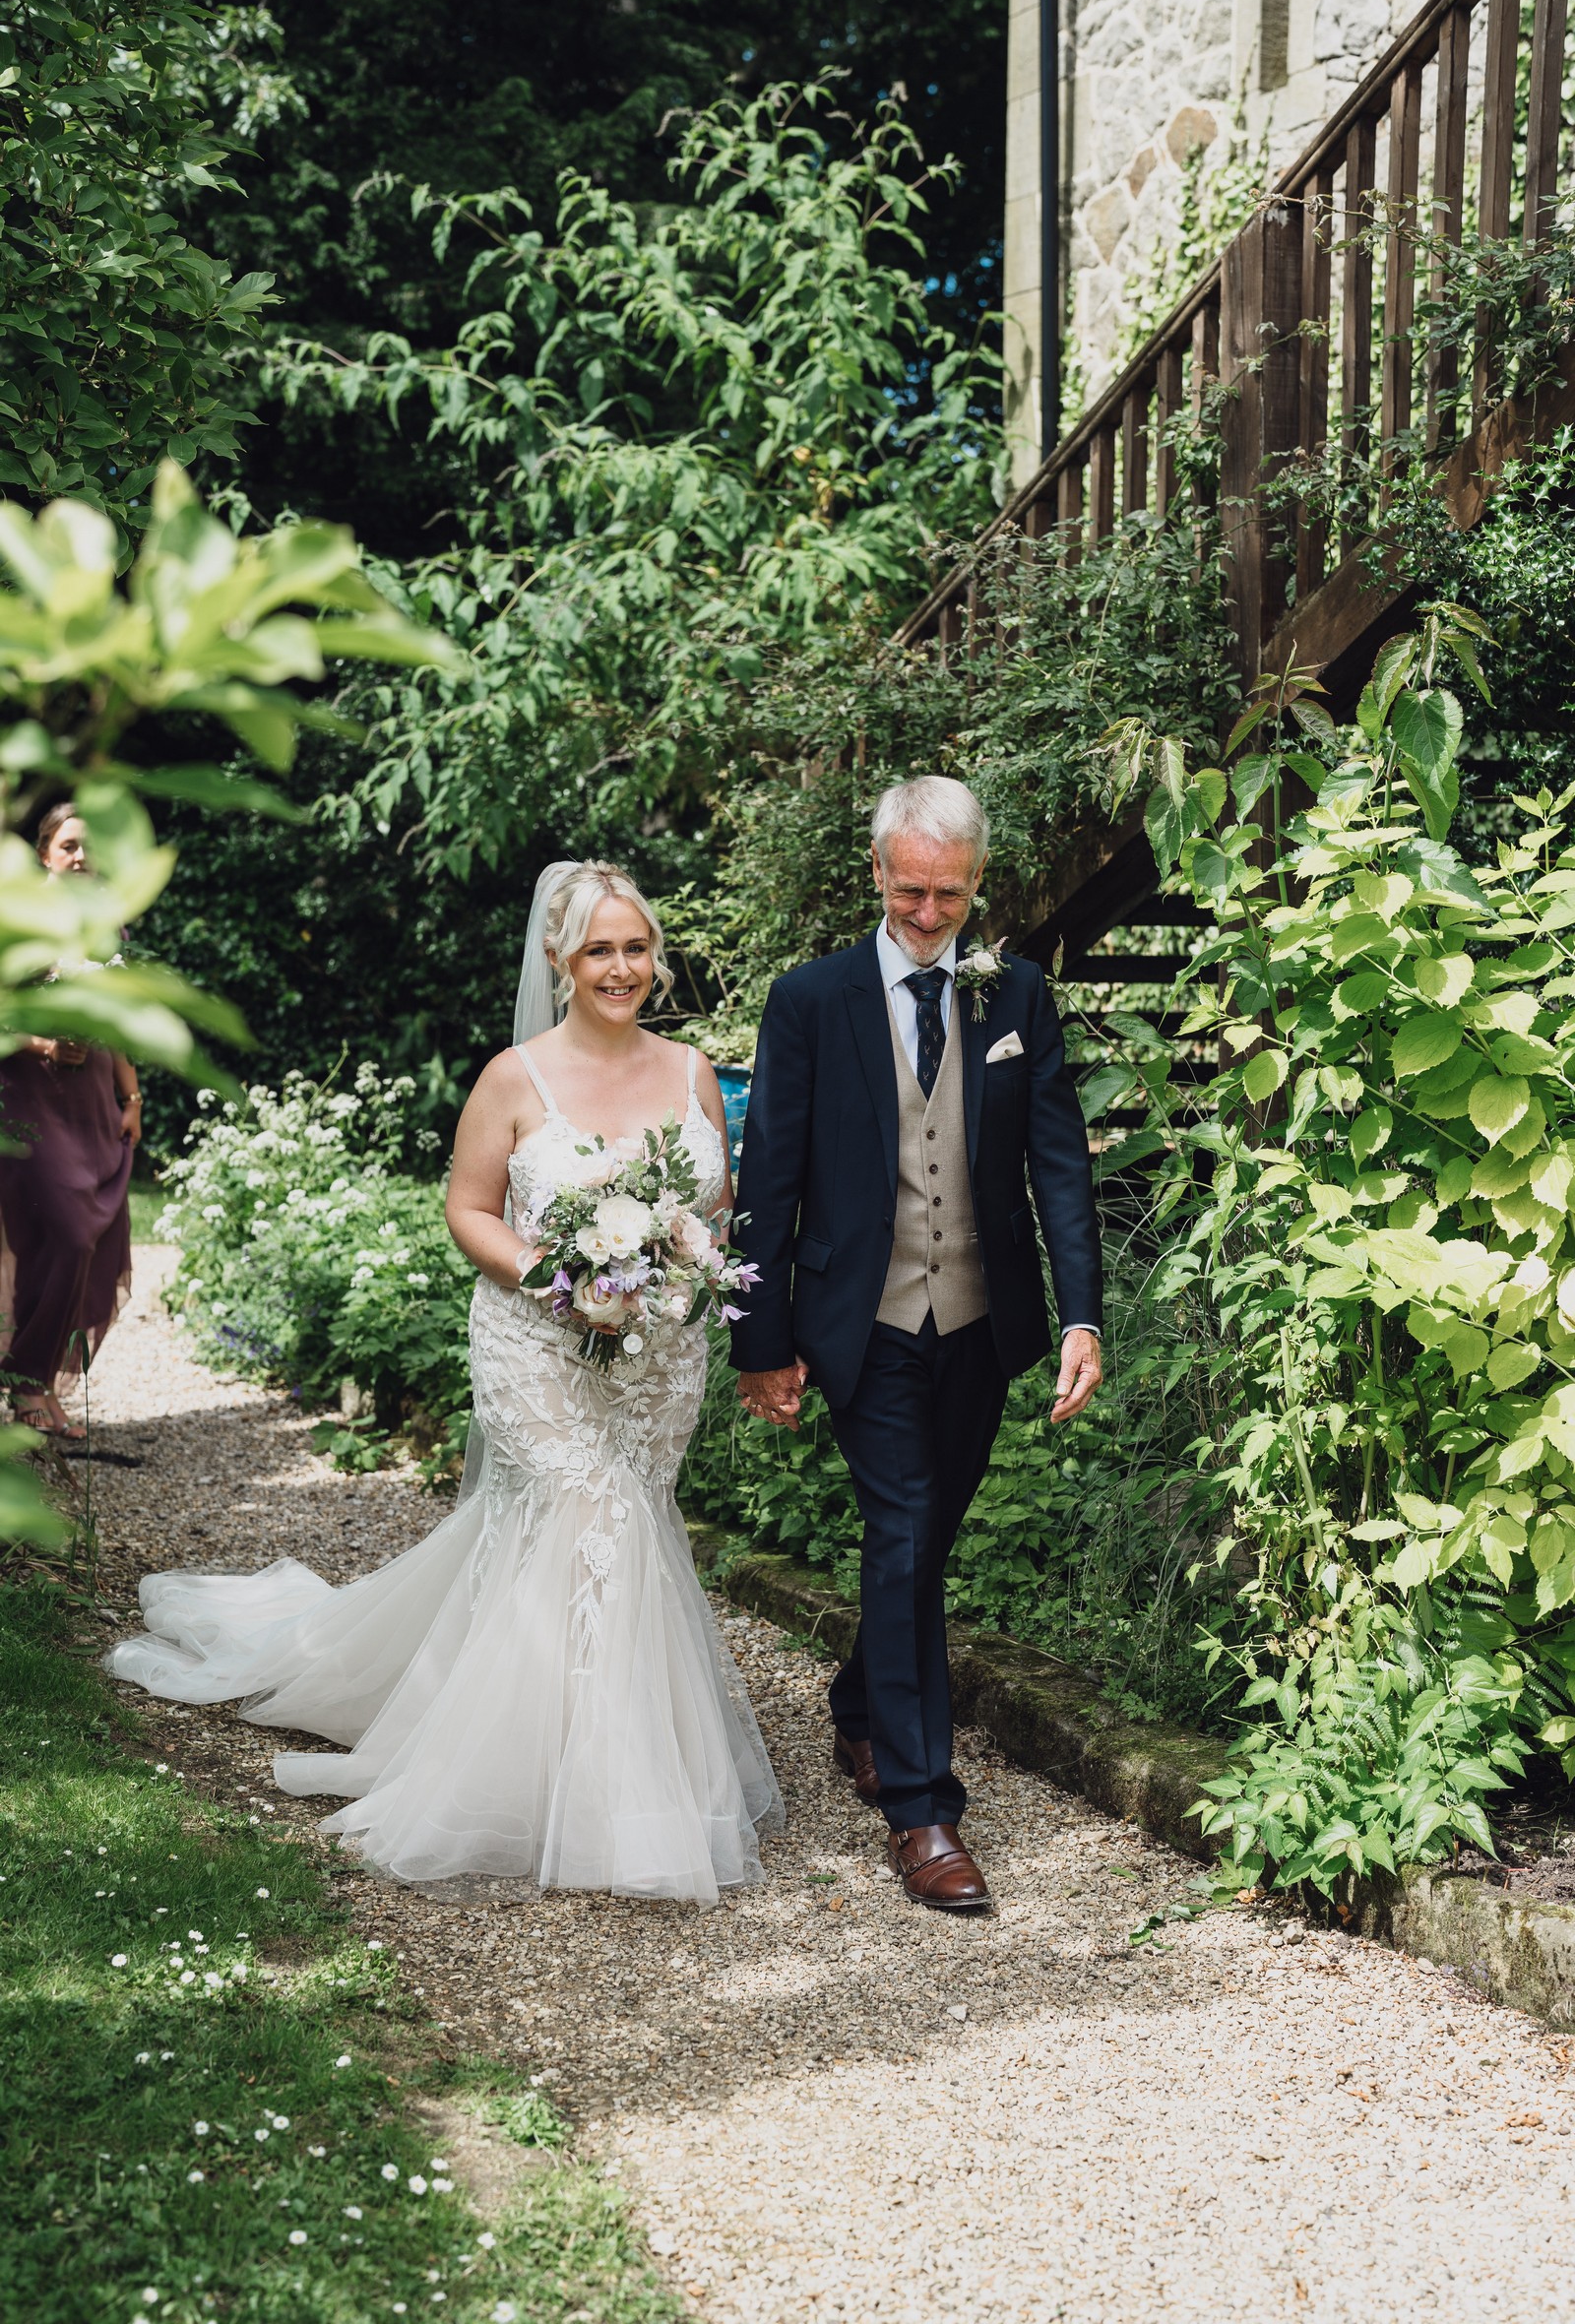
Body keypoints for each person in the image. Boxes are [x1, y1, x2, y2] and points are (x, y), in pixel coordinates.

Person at [108, 860, 783, 1905]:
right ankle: (596, 1795)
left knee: (626, 1518)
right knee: (588, 1513)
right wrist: (561, 1280)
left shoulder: (694, 1071)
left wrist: (681, 1257)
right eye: (598, 950)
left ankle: (571, 1746)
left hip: (656, 1355)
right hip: (537, 1340)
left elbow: (716, 1200)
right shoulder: (516, 1077)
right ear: (558, 958)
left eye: (637, 948)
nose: (621, 969)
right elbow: (468, 1210)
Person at [731, 776, 1102, 1914]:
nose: (929, 914)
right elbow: (770, 1178)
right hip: (864, 1320)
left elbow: (1057, 1164)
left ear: (976, 881)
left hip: (981, 1321)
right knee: (899, 1533)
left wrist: (1082, 1315)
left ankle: (860, 1708)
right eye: (909, 892)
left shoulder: (1016, 995)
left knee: (925, 1538)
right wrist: (760, 1340)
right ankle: (921, 1809)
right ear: (878, 875)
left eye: (948, 894)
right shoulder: (811, 1000)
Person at [0, 802, 140, 1439]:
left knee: (94, 1242)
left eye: (91, 847)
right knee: (66, 1233)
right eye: (69, 846)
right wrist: (46, 1046)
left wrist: (131, 1098)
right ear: (44, 854)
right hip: (31, 1100)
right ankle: (26, 1376)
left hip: (93, 1106)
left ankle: (38, 1382)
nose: (82, 857)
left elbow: (121, 1023)